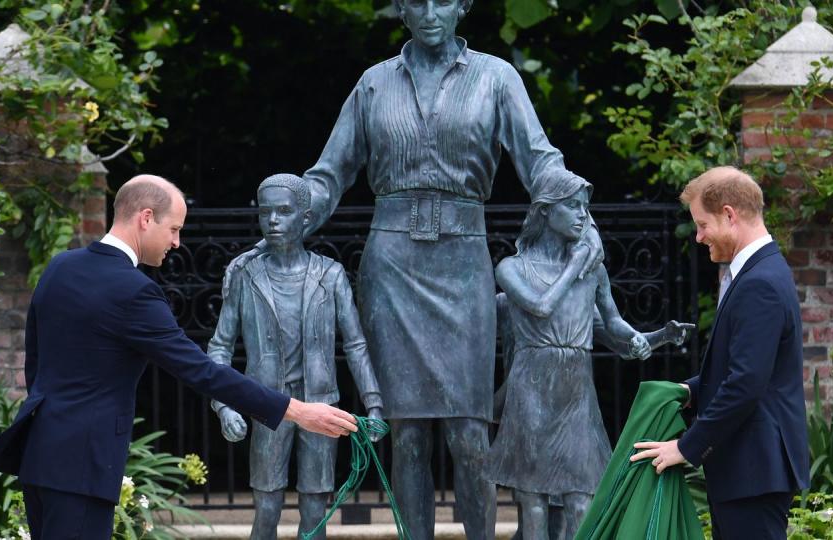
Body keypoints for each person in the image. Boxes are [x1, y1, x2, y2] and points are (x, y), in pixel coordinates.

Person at [226, 1, 604, 536]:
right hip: (393, 266)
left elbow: (539, 160)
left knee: (470, 433)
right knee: (405, 435)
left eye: (443, 0)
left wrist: (576, 210)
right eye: (417, 1)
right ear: (400, 9)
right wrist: (285, 211)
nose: (430, 12)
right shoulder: (374, 83)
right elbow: (330, 174)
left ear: (464, 6)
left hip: (464, 263)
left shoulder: (497, 78)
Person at [0, 175, 359, 540]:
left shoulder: (60, 267)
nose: (176, 242)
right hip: (84, 466)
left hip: (40, 456)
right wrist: (297, 411)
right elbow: (202, 371)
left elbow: (36, 362)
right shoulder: (134, 291)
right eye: (174, 229)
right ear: (146, 218)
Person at [486, 171, 693, 539]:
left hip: (576, 391)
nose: (583, 215)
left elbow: (615, 329)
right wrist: (576, 265)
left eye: (586, 207)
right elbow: (540, 306)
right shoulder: (512, 268)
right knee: (532, 498)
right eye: (573, 206)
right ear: (546, 212)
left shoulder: (592, 273)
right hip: (532, 387)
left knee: (581, 497)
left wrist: (658, 337)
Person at [630, 166, 809, 540]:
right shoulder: (758, 273)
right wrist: (689, 391)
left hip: (753, 470)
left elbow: (745, 383)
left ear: (729, 215)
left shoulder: (759, 281)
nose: (698, 237)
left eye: (702, 224)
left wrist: (686, 446)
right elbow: (740, 368)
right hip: (749, 468)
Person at [207, 174, 384, 539]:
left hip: (320, 402)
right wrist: (224, 406)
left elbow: (355, 344)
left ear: (305, 217)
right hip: (267, 403)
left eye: (284, 212)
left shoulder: (331, 275)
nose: (272, 220)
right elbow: (220, 346)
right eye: (265, 212)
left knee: (315, 510)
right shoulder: (245, 276)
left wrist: (374, 405)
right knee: (267, 508)